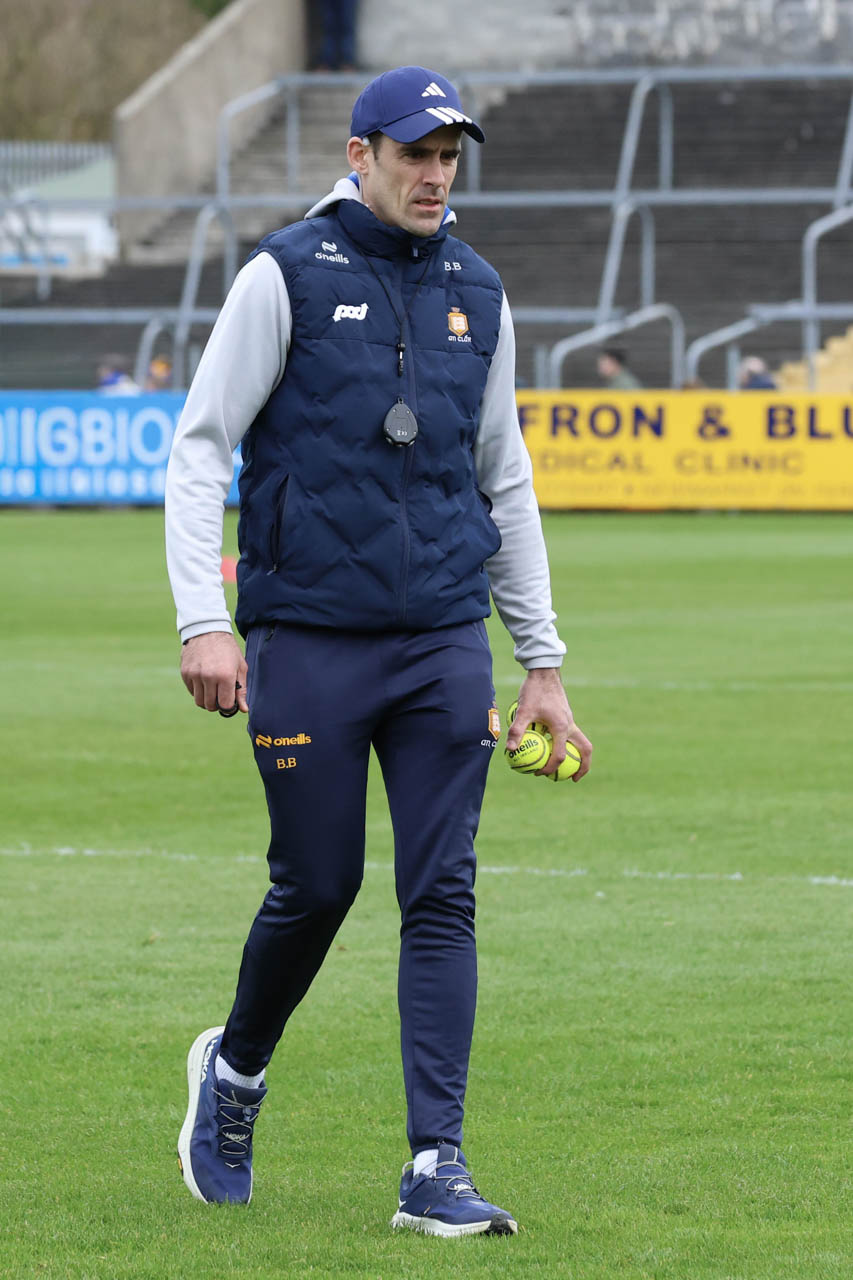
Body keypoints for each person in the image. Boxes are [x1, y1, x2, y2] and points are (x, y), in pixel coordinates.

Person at [165, 64, 592, 1239]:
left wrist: (541, 661)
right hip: (308, 635)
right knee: (318, 883)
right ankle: (235, 1070)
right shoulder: (283, 274)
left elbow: (503, 477)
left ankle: (435, 1163)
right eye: (415, 152)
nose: (435, 173)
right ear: (359, 156)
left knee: (442, 891)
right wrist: (204, 619)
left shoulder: (479, 292)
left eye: (449, 154)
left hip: (442, 640)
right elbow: (201, 447)